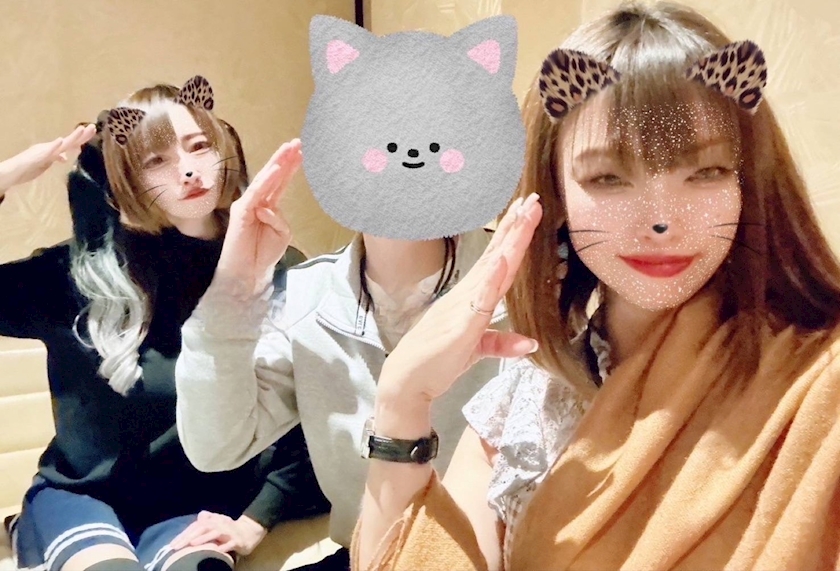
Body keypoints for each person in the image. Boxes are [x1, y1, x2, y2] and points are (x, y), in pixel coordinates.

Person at [352, 3, 840, 570]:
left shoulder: (817, 381)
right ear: (556, 195)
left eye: (704, 171)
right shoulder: (526, 395)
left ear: (748, 182)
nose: (661, 220)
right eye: (609, 177)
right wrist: (401, 402)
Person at [1, 78, 327, 571]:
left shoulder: (270, 264)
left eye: (198, 146)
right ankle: (32, 527)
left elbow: (309, 401)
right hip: (82, 495)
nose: (188, 169)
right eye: (156, 160)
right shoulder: (77, 275)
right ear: (126, 178)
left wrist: (256, 519)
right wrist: (6, 175)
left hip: (201, 506)